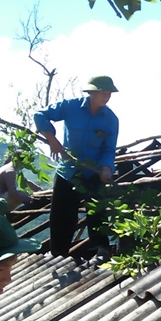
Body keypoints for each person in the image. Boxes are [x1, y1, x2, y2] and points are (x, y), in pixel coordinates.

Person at [33, 75, 119, 261]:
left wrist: (106, 168)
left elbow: (109, 149)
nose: (106, 96)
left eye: (109, 93)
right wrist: (52, 140)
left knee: (97, 211)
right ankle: (58, 253)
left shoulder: (111, 120)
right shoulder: (70, 107)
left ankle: (102, 251)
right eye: (102, 92)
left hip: (93, 171)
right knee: (62, 213)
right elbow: (40, 115)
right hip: (68, 169)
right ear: (91, 92)